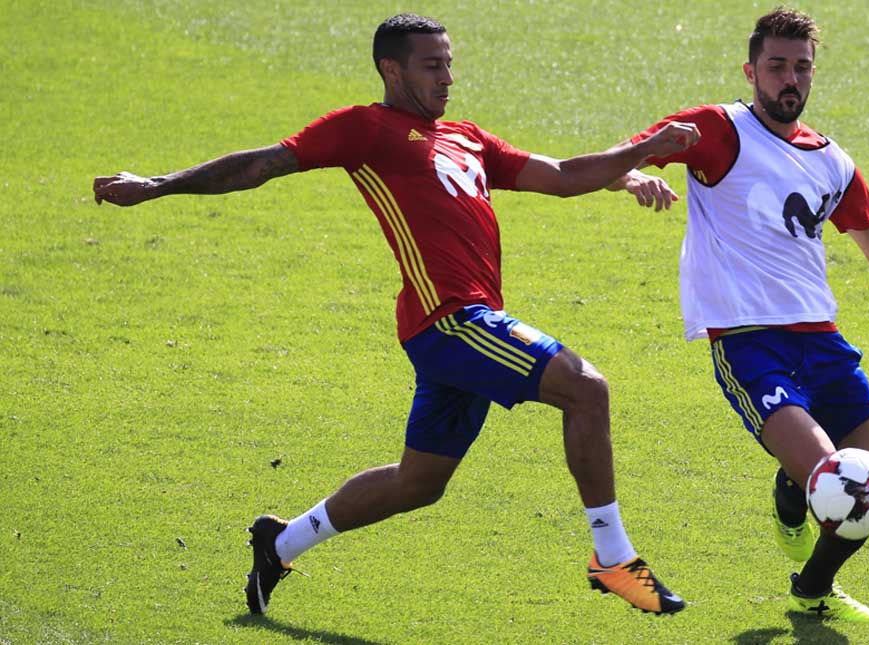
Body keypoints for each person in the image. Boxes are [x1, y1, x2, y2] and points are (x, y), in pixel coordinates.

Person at [93, 13, 699, 616]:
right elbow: (260, 165)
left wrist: (628, 170)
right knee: (586, 388)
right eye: (432, 65)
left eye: (449, 64)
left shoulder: (467, 137)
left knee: (419, 483)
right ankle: (612, 557)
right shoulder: (364, 129)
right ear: (392, 68)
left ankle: (280, 542)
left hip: (456, 328)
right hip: (451, 321)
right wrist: (156, 185)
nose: (447, 77)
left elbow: (564, 175)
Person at [613, 7, 869, 624]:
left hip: (823, 339)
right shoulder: (718, 129)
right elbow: (624, 155)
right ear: (751, 71)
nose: (790, 79)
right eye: (777, 66)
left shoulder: (833, 161)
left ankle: (810, 587)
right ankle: (795, 499)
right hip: (750, 341)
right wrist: (635, 178)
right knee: (840, 488)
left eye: (801, 68)